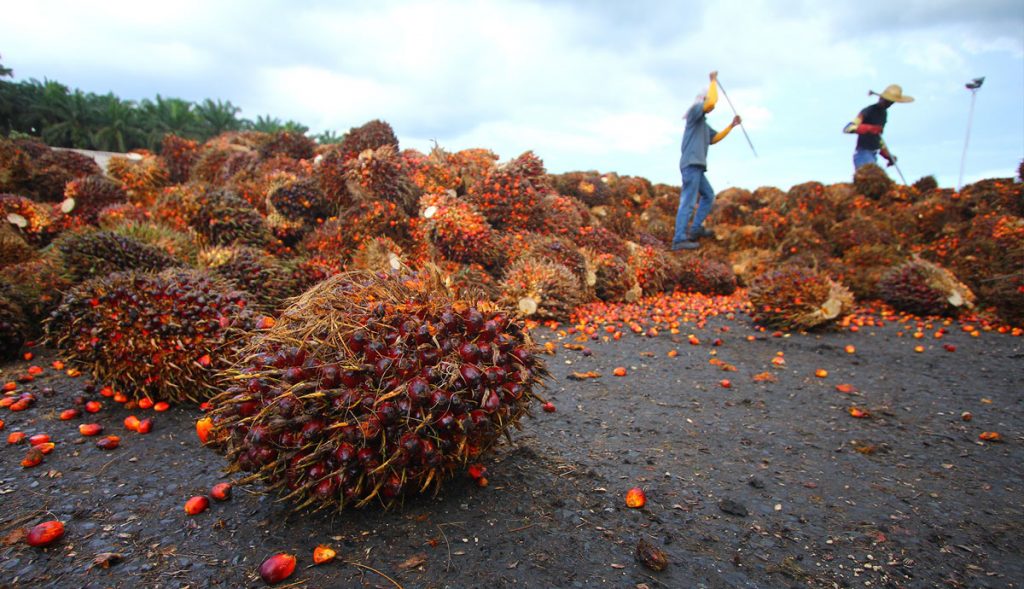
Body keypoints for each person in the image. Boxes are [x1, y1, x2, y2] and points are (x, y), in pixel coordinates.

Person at [672, 71, 741, 251]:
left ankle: (695, 230)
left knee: (708, 195)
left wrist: (731, 126)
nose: (710, 107)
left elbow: (714, 138)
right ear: (701, 100)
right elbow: (711, 102)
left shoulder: (702, 123)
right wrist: (713, 82)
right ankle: (679, 239)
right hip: (690, 165)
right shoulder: (694, 112)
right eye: (706, 102)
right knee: (688, 200)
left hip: (698, 167)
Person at [843, 84, 913, 171]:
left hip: (873, 154)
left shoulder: (883, 114)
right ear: (881, 98)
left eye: (891, 102)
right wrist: (869, 128)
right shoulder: (868, 111)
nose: (889, 104)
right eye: (887, 101)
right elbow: (848, 128)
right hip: (863, 154)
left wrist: (887, 155)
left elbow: (878, 137)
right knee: (872, 179)